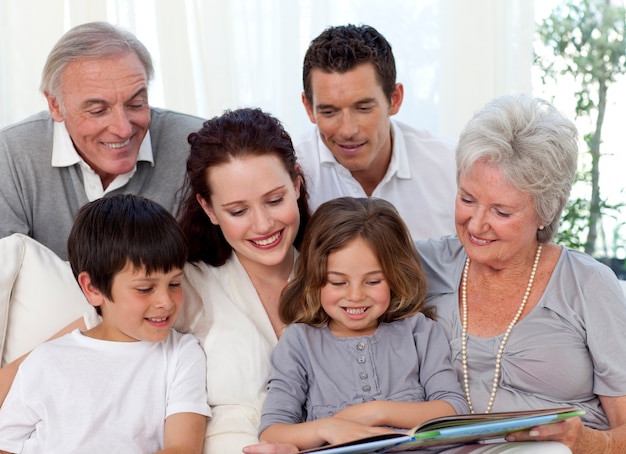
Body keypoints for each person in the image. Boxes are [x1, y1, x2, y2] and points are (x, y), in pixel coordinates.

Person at [415, 94, 626, 453]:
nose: (476, 224)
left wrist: (586, 441)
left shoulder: (588, 285)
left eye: (501, 211)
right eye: (467, 199)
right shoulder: (424, 265)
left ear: (544, 212)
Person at [0, 194, 210, 453]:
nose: (166, 301)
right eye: (145, 288)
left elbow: (183, 448)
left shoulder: (181, 354)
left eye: (175, 283)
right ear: (93, 288)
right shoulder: (45, 360)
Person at [257, 197, 469, 451]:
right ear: (315, 278)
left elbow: (453, 409)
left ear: (394, 277)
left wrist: (376, 411)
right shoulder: (300, 342)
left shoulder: (419, 331)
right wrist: (326, 427)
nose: (355, 296)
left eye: (373, 281)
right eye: (338, 282)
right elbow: (273, 431)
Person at [0, 21, 204, 260]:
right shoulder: (10, 154)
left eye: (136, 104)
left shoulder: (196, 144)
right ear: (55, 105)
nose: (123, 129)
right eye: (97, 110)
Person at [295, 24, 456, 240]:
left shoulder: (451, 168)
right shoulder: (291, 173)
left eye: (363, 108)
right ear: (308, 108)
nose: (348, 131)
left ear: (395, 99)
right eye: (329, 111)